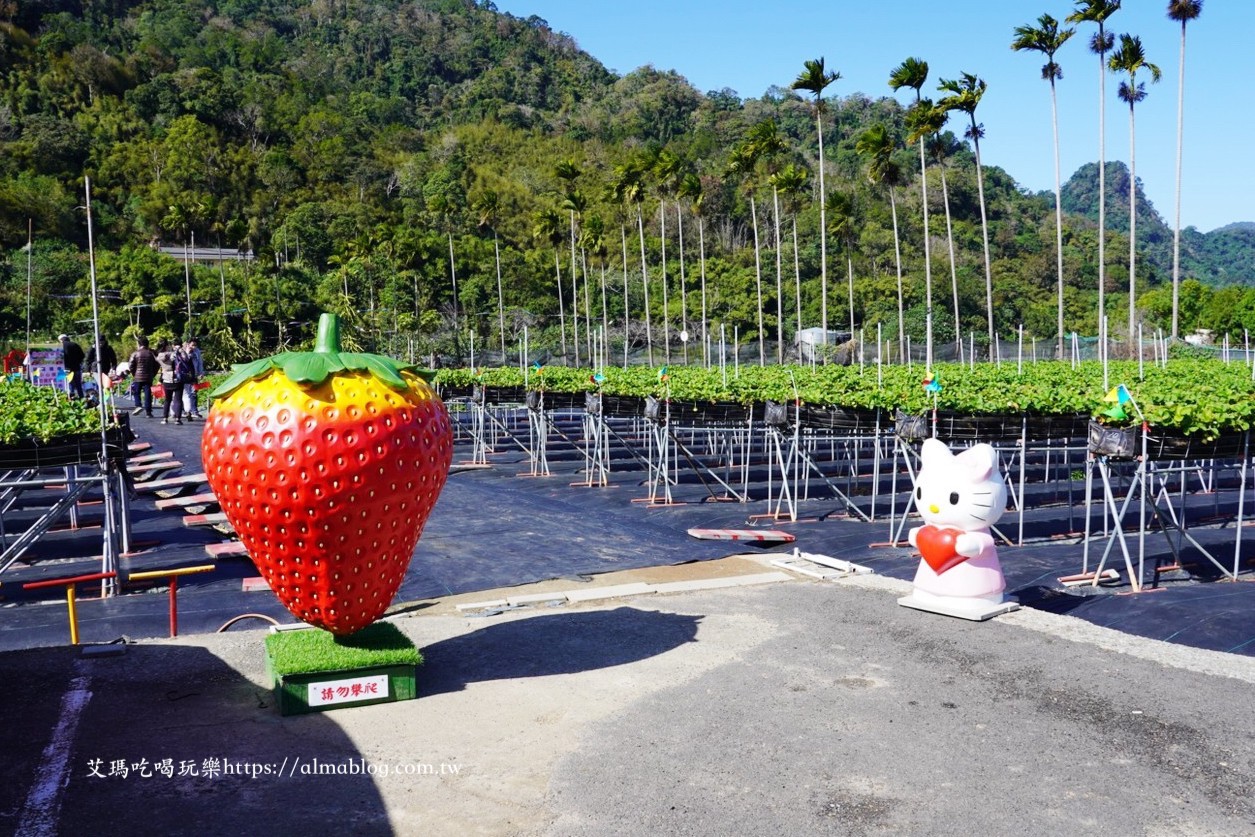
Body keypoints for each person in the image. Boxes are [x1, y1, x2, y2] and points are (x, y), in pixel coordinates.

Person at [128, 336, 159, 418]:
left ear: (139, 344)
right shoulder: (151, 354)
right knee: (148, 394)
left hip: (137, 377)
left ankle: (138, 405)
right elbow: (157, 365)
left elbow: (131, 365)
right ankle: (148, 412)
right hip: (148, 377)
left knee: (136, 392)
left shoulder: (135, 353)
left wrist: (134, 373)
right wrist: (153, 374)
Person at [155, 339, 185, 425]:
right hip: (177, 378)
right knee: (178, 400)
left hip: (166, 379)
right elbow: (185, 358)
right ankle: (178, 419)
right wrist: (180, 350)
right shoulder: (174, 353)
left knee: (167, 400)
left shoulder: (159, 356)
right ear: (167, 346)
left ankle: (165, 418)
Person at [181, 338, 204, 420]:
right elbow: (183, 361)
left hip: (194, 374)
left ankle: (194, 411)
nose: (194, 347)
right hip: (185, 375)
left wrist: (201, 372)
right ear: (188, 344)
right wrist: (187, 352)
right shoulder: (183, 351)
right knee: (185, 393)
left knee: (194, 392)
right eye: (192, 345)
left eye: (195, 345)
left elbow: (200, 362)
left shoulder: (197, 351)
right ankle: (185, 410)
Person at [59, 334, 85, 399]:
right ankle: (81, 397)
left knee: (70, 383)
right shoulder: (75, 344)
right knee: (78, 384)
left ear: (61, 340)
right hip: (76, 367)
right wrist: (78, 361)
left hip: (67, 368)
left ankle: (72, 397)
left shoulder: (61, 346)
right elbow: (82, 355)